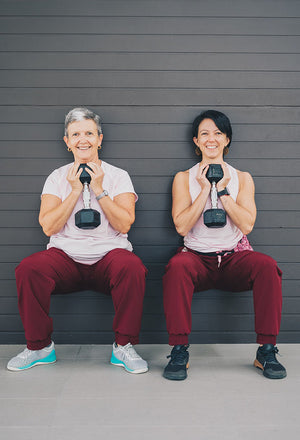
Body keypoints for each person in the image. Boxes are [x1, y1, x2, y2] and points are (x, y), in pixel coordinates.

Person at [7, 107, 148, 374]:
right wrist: (73, 191)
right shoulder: (57, 177)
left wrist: (99, 189)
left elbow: (124, 223)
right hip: (66, 259)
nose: (83, 139)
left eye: (89, 133)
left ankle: (124, 346)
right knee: (28, 268)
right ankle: (39, 348)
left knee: (133, 267)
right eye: (76, 134)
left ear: (100, 139)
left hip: (110, 256)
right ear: (67, 141)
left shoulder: (118, 176)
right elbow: (48, 225)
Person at [162, 110, 286, 381]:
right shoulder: (184, 178)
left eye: (218, 133)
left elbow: (247, 224)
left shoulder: (243, 178)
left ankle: (266, 350)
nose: (211, 139)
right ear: (196, 141)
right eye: (205, 133)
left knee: (267, 266)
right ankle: (179, 350)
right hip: (196, 257)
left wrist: (223, 191)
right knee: (176, 267)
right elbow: (181, 226)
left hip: (233, 258)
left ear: (227, 139)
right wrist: (205, 188)